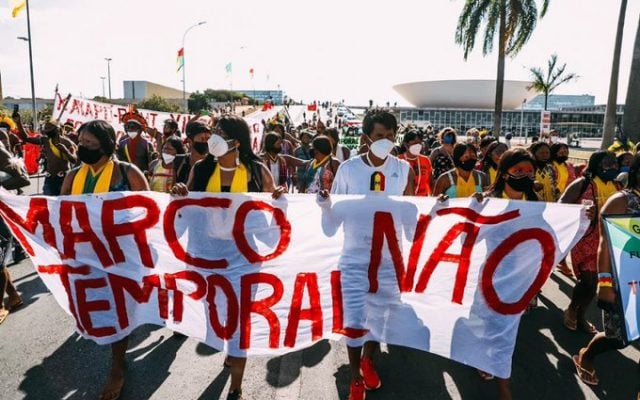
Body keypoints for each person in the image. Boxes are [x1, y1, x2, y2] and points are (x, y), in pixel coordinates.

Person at [171, 114, 284, 400]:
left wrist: (279, 198)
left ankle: (236, 386)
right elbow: (188, 212)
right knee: (217, 314)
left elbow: (274, 210)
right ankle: (229, 348)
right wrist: (181, 196)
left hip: (245, 257)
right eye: (213, 132)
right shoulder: (201, 168)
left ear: (236, 141)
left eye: (219, 133)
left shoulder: (257, 171)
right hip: (208, 257)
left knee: (240, 319)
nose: (213, 138)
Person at [320, 109, 414, 400]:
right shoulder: (348, 170)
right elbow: (332, 221)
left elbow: (412, 215)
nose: (385, 141)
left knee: (380, 317)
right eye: (378, 136)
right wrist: (324, 205)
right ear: (365, 138)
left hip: (389, 260)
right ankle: (355, 377)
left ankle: (368, 359)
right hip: (354, 259)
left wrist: (440, 210)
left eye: (390, 136)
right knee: (356, 319)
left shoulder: (404, 169)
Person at [59, 119, 149, 400]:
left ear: (106, 145)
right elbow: (60, 213)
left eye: (89, 144)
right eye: (81, 142)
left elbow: (150, 213)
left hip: (121, 258)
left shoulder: (128, 173)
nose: (82, 147)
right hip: (85, 257)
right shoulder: (73, 176)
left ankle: (117, 367)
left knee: (118, 311)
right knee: (98, 311)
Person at [474, 148, 541, 399]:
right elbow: (467, 235)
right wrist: (473, 208)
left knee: (508, 324)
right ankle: (501, 383)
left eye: (529, 172)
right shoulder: (487, 200)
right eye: (519, 171)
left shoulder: (535, 202)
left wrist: (580, 218)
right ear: (504, 174)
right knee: (492, 322)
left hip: (521, 276)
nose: (525, 175)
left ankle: (495, 362)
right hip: (490, 272)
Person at [572, 154, 640, 387]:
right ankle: (586, 355)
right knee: (619, 338)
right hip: (625, 281)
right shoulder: (622, 200)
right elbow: (605, 245)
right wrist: (606, 284)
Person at [560, 150, 619, 335]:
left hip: (607, 240)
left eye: (615, 164)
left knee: (596, 284)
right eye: (608, 164)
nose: (613, 167)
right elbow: (561, 205)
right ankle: (571, 309)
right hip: (584, 238)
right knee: (588, 281)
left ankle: (580, 315)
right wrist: (582, 212)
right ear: (596, 164)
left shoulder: (617, 186)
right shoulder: (582, 183)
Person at [14, 113, 77, 195]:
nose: (46, 131)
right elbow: (26, 138)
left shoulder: (67, 143)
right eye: (45, 128)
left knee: (62, 204)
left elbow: (74, 160)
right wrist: (18, 123)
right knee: (48, 203)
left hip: (63, 179)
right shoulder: (45, 140)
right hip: (49, 179)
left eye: (48, 128)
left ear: (57, 129)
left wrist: (66, 151)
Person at [550, 142, 578, 277]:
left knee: (565, 234)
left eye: (566, 152)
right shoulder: (549, 167)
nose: (564, 154)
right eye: (561, 152)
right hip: (551, 204)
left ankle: (561, 261)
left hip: (567, 205)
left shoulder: (569, 166)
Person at [172, 121, 211, 185]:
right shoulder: (179, 161)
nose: (206, 142)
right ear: (190, 141)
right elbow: (172, 187)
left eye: (208, 139)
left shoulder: (214, 163)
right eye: (202, 139)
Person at [398, 129, 432, 195]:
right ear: (406, 144)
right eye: (414, 143)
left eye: (419, 143)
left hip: (422, 201)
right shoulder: (398, 160)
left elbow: (430, 183)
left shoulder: (426, 160)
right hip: (404, 201)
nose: (418, 146)